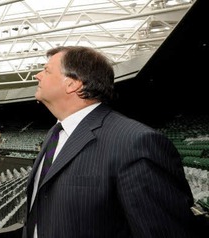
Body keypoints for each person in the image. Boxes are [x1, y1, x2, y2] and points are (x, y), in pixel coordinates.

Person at [23, 46, 202, 238]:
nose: (37, 76)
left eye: (47, 70)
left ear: (72, 84)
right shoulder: (54, 134)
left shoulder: (135, 143)